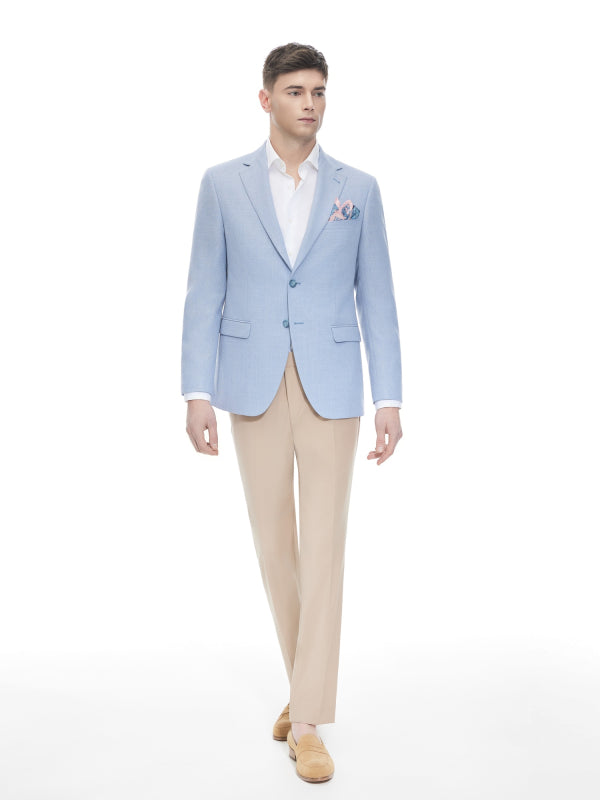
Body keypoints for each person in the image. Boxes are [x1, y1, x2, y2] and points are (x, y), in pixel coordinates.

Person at [181, 42, 403, 783]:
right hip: (250, 380)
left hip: (333, 383)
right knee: (275, 545)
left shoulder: (358, 189)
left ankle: (306, 720)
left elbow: (378, 296)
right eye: (296, 91)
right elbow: (203, 290)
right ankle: (303, 689)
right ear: (266, 99)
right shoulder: (223, 184)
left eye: (319, 91)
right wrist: (196, 389)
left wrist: (389, 398)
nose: (310, 103)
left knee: (326, 545)